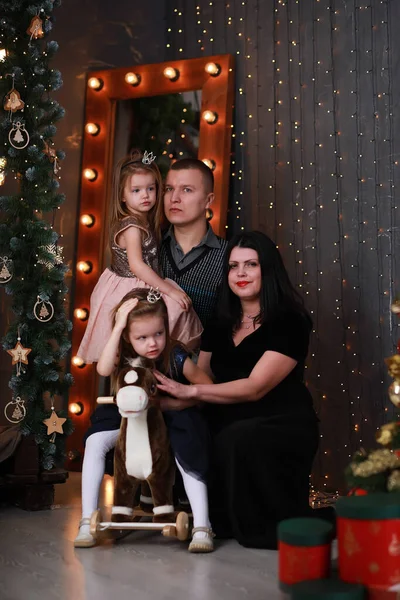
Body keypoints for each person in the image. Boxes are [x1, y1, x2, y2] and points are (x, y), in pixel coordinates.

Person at [155, 231, 320, 550]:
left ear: (268, 270)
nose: (240, 274)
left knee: (237, 436)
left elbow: (256, 388)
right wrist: (167, 399)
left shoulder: (290, 321)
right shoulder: (220, 321)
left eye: (250, 265)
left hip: (281, 420)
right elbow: (202, 379)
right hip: (228, 413)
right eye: (233, 266)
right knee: (180, 428)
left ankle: (251, 523)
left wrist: (189, 394)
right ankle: (192, 515)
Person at [74, 289, 215, 553]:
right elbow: (103, 370)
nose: (153, 343)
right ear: (128, 336)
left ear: (166, 328)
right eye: (142, 337)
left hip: (169, 417)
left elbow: (206, 388)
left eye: (158, 334)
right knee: (94, 441)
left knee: (188, 445)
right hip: (128, 418)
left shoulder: (174, 355)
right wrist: (117, 328)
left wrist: (173, 402)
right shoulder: (123, 354)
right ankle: (86, 519)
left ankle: (203, 525)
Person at [77, 150, 202, 364]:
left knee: (165, 318)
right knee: (170, 308)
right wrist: (168, 288)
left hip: (142, 281)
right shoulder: (132, 227)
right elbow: (136, 265)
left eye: (150, 188)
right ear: (123, 196)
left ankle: (160, 362)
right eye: (136, 190)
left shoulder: (144, 221)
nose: (145, 195)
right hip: (129, 285)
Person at [160, 158, 227, 327]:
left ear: (208, 200)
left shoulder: (228, 257)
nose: (174, 198)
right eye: (169, 189)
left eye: (187, 190)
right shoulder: (148, 246)